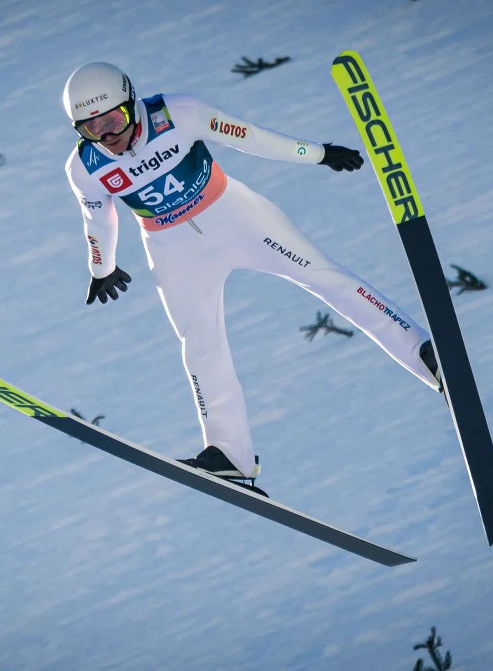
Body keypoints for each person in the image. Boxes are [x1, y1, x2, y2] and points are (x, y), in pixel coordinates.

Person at [62, 62, 441, 481]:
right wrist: (103, 268)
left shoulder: (178, 114)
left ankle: (425, 356)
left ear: (131, 102)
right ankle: (229, 454)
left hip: (240, 220)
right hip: (174, 251)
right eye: (93, 129)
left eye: (114, 120)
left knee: (325, 276)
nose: (109, 136)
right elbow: (96, 219)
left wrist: (316, 154)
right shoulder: (85, 166)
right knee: (199, 344)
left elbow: (251, 137)